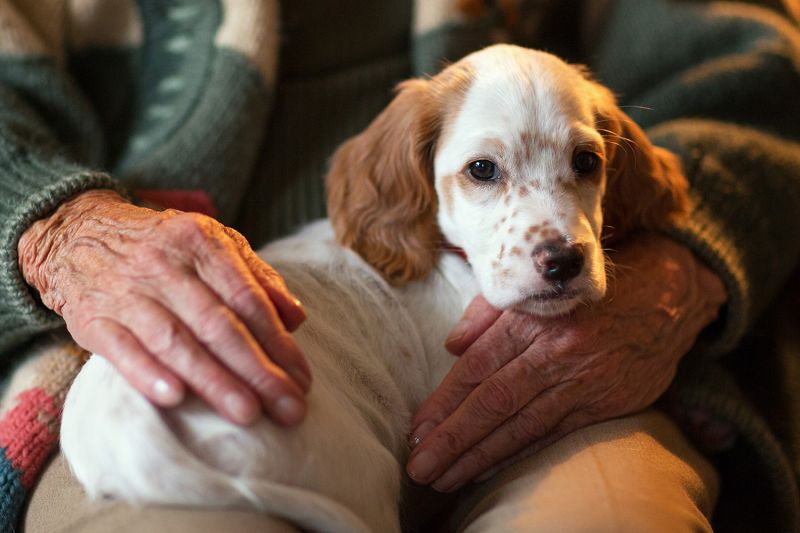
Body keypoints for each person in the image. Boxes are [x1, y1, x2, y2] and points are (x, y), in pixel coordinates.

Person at [1, 0, 798, 531]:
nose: (554, 234)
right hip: (132, 341)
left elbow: (755, 86)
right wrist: (54, 227)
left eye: (584, 163)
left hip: (592, 362)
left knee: (612, 515)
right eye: (484, 171)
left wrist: (687, 262)